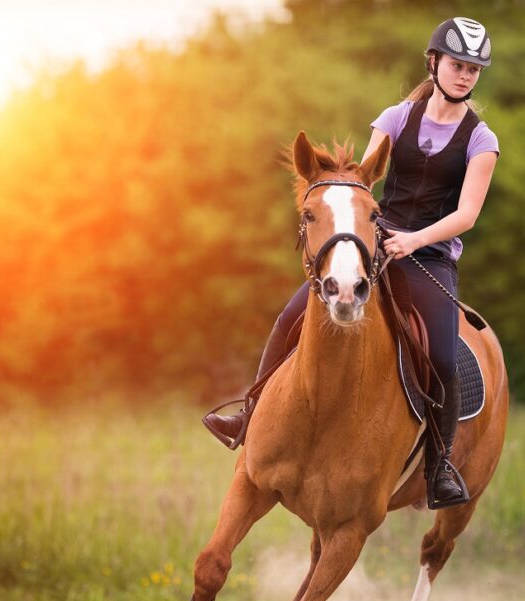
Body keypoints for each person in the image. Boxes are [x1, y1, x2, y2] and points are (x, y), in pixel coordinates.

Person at [204, 17, 499, 509]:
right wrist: (369, 238)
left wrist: (413, 239)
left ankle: (440, 464)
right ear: (434, 62)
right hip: (373, 248)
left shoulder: (480, 140)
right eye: (457, 64)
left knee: (445, 358)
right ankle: (248, 416)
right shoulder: (395, 119)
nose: (465, 75)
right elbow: (361, 184)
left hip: (430, 258)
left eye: (473, 69)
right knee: (289, 317)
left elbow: (467, 214)